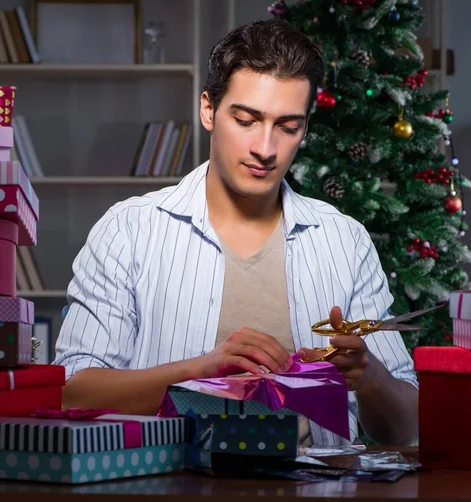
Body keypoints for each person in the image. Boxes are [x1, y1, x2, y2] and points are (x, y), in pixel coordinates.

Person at [53, 18, 418, 447]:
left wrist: (369, 375)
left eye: (287, 127)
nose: (265, 149)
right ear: (208, 109)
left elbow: (408, 430)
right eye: (246, 120)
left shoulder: (346, 242)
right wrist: (198, 371)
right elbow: (72, 394)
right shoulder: (128, 231)